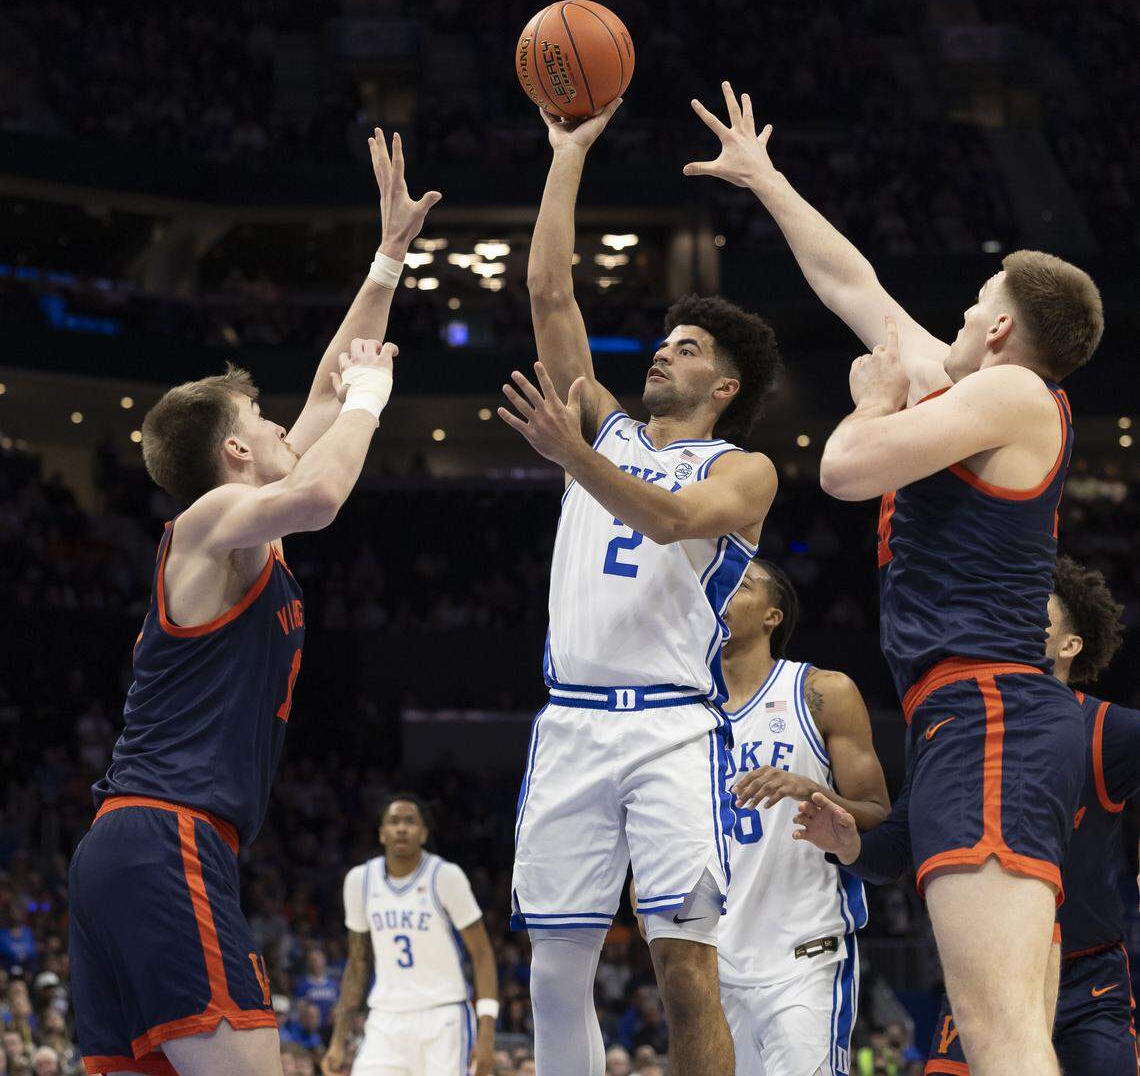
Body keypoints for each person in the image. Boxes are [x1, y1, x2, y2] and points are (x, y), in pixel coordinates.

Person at [687, 79, 1104, 1076]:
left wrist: (870, 401)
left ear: (1003, 330)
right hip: (963, 717)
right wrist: (767, 178)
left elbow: (839, 468)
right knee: (1004, 1025)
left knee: (1000, 1031)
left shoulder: (1010, 391)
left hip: (988, 710)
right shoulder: (976, 391)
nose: (955, 316)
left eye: (974, 305)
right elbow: (855, 286)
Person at [67, 130, 441, 1076]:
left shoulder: (240, 528)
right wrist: (374, 398)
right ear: (236, 453)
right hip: (167, 836)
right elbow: (323, 485)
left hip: (139, 843)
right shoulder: (210, 521)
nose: (285, 423)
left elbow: (326, 376)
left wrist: (386, 257)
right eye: (264, 422)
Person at [500, 97, 783, 1076]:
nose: (665, 348)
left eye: (689, 347)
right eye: (665, 340)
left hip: (671, 726)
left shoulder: (743, 470)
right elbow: (547, 294)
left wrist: (573, 455)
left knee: (682, 970)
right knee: (554, 965)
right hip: (572, 721)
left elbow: (667, 522)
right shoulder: (608, 430)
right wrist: (567, 151)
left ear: (724, 386)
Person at [794, 557, 1136, 1075]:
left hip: (1088, 980)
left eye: (1032, 611)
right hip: (987, 967)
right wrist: (849, 847)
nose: (1011, 618)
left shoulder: (1106, 729)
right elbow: (890, 853)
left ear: (1070, 646)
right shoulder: (953, 727)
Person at [718, 560, 889, 1076]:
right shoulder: (682, 708)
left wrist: (813, 790)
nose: (721, 589)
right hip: (711, 962)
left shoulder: (821, 693)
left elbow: (880, 813)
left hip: (804, 955)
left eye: (739, 583)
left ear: (773, 615)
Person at [322, 794, 498, 1076]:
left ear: (424, 833)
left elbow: (482, 953)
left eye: (410, 821)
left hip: (444, 1015)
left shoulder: (445, 876)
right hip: (385, 1018)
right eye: (393, 821)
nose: (402, 828)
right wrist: (338, 1039)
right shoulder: (360, 881)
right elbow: (357, 963)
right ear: (382, 834)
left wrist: (487, 1031)